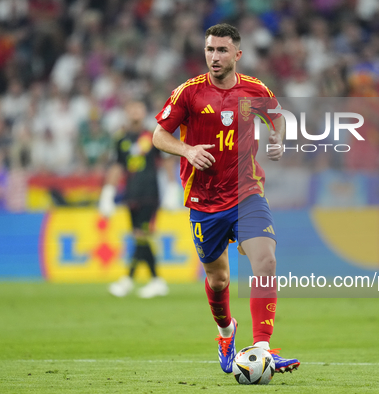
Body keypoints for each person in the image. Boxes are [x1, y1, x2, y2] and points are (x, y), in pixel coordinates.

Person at [152, 23, 300, 374]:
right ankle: (226, 332)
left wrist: (278, 139)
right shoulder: (188, 93)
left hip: (247, 193)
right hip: (204, 201)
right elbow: (159, 135)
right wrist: (186, 151)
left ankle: (262, 348)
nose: (214, 57)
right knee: (218, 280)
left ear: (237, 54)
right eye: (209, 50)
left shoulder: (254, 90)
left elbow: (278, 120)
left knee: (265, 262)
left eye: (221, 50)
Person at [99, 101, 169, 299]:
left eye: (139, 107)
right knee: (141, 237)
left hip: (150, 193)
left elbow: (165, 162)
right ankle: (157, 281)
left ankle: (128, 279)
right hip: (131, 193)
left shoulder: (154, 135)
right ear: (126, 111)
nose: (135, 111)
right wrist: (108, 192)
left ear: (144, 111)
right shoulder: (121, 138)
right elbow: (117, 166)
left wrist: (172, 188)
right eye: (132, 107)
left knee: (141, 234)